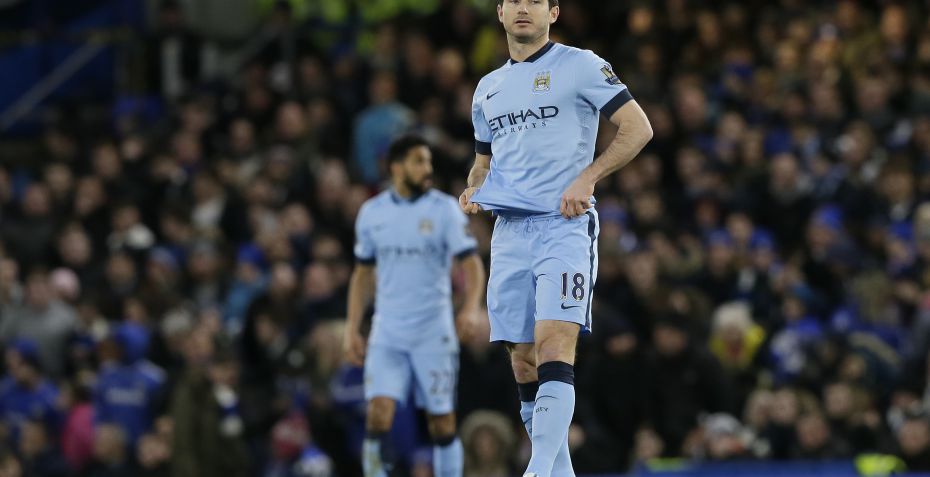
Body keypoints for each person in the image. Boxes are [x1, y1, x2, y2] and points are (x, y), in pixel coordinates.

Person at [459, 1, 653, 476]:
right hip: (509, 233)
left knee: (553, 346)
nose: (523, 8)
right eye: (514, 1)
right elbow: (483, 163)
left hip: (562, 226)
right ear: (500, 13)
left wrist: (589, 177)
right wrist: (473, 188)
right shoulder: (488, 88)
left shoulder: (580, 65)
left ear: (554, 12)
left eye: (535, 1)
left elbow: (638, 128)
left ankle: (538, 468)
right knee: (524, 363)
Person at [344, 135, 486, 477]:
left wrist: (470, 308)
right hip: (388, 329)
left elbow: (471, 263)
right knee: (378, 412)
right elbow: (362, 275)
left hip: (432, 330)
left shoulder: (444, 209)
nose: (427, 169)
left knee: (442, 421)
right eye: (418, 161)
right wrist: (351, 328)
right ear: (396, 167)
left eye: (428, 161)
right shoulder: (372, 213)